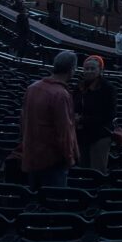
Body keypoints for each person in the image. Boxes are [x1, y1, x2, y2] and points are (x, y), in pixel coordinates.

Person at [20, 50, 80, 190]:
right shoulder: (61, 94)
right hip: (53, 161)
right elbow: (64, 132)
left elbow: (23, 121)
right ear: (72, 69)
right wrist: (70, 158)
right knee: (53, 205)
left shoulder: (32, 88)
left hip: (31, 156)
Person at [74, 55, 116, 174]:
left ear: (100, 70)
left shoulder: (107, 88)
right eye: (87, 69)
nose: (89, 71)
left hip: (100, 135)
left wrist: (82, 119)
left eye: (93, 69)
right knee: (83, 169)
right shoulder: (79, 86)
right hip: (81, 135)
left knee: (97, 171)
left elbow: (109, 114)